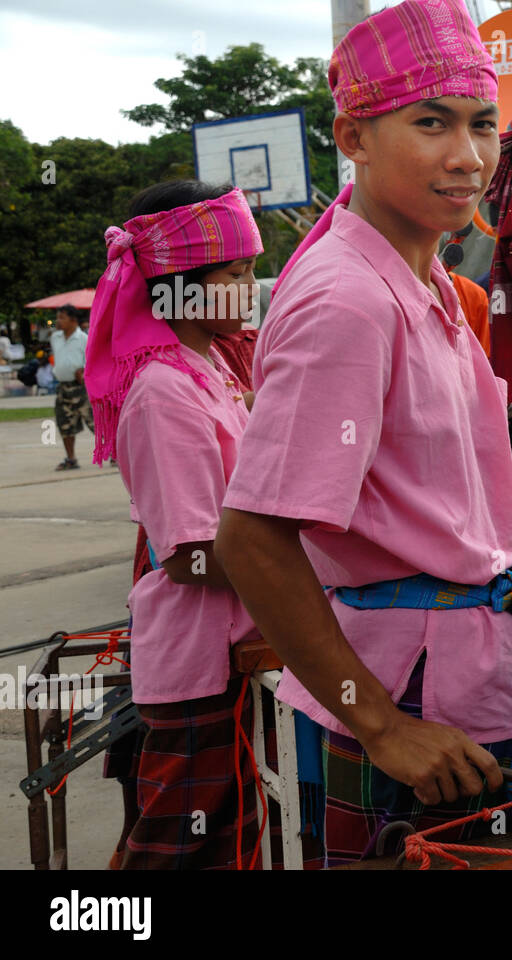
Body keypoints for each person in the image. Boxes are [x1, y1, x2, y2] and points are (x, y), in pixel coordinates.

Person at [213, 0, 512, 866]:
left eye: (481, 125)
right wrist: (384, 724)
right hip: (410, 702)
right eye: (430, 124)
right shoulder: (347, 300)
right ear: (354, 136)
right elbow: (252, 537)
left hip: (477, 682)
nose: (466, 157)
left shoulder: (424, 280)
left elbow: (479, 489)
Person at [83, 180, 264, 868]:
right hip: (197, 660)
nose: (250, 287)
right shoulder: (163, 393)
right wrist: (299, 570)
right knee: (173, 851)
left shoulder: (209, 366)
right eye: (236, 273)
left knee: (228, 841)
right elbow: (188, 552)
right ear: (182, 287)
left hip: (227, 650)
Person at [50, 306, 92, 469]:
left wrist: (83, 370)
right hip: (63, 387)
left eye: (62, 318)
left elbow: (91, 360)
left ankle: (114, 454)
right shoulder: (55, 337)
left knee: (95, 421)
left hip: (81, 388)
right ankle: (71, 458)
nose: (58, 321)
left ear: (73, 320)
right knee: (64, 423)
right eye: (57, 317)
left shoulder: (84, 339)